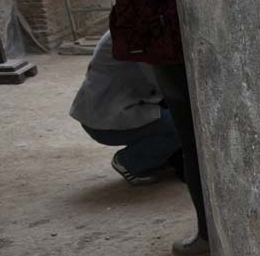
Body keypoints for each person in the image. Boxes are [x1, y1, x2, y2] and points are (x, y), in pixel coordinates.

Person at [110, 0, 208, 256]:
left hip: (170, 43)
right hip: (178, 42)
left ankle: (209, 235)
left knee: (194, 142)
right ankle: (210, 234)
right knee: (193, 141)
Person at [70, 30, 181, 186]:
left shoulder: (131, 25)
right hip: (106, 121)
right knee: (182, 124)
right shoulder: (140, 35)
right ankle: (130, 163)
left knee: (178, 115)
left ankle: (158, 157)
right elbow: (166, 85)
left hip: (105, 111)